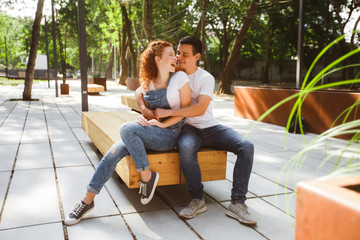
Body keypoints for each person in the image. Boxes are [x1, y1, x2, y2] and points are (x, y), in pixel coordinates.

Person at [65, 40, 191, 226]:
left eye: (175, 54)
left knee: (126, 129)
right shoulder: (148, 83)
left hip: (170, 134)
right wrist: (143, 113)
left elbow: (185, 112)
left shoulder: (180, 78)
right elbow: (139, 93)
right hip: (152, 130)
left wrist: (163, 125)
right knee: (113, 153)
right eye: (171, 54)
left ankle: (147, 178)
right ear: (158, 59)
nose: (176, 58)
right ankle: (87, 201)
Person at [136, 36, 257, 225]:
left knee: (246, 146)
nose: (179, 57)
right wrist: (144, 109)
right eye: (177, 53)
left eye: (185, 54)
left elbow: (200, 108)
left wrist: (169, 111)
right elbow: (140, 89)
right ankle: (198, 199)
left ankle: (237, 203)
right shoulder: (171, 74)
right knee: (186, 148)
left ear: (197, 56)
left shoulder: (205, 78)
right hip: (187, 128)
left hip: (211, 126)